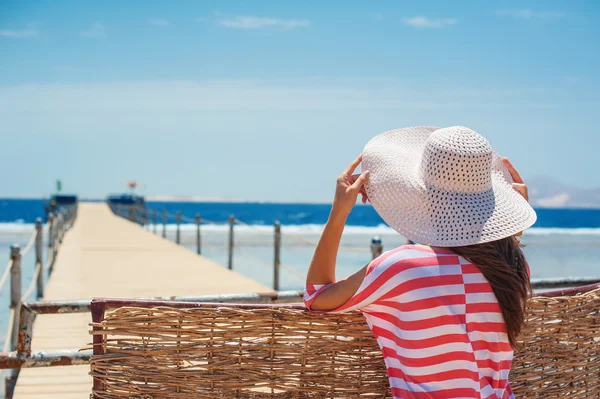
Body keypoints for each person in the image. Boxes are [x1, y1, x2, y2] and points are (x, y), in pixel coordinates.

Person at [304, 126, 536, 399]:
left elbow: (316, 295)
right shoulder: (514, 269)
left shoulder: (403, 268)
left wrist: (339, 210)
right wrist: (509, 230)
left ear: (420, 193)